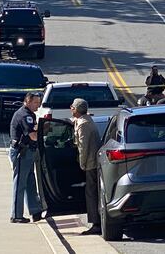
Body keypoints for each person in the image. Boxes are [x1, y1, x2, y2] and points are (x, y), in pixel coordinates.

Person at [9, 92, 44, 223]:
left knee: (30, 181)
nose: (38, 105)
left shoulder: (30, 114)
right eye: (36, 103)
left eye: (39, 103)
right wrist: (44, 135)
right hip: (21, 152)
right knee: (20, 183)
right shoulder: (24, 115)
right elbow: (33, 135)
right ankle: (16, 215)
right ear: (28, 101)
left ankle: (35, 211)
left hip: (28, 152)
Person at [71, 98, 102, 235]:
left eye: (72, 107)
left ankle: (96, 223)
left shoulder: (83, 124)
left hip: (90, 164)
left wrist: (82, 164)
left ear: (76, 109)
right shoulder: (87, 120)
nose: (71, 108)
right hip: (94, 162)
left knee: (91, 193)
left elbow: (83, 147)